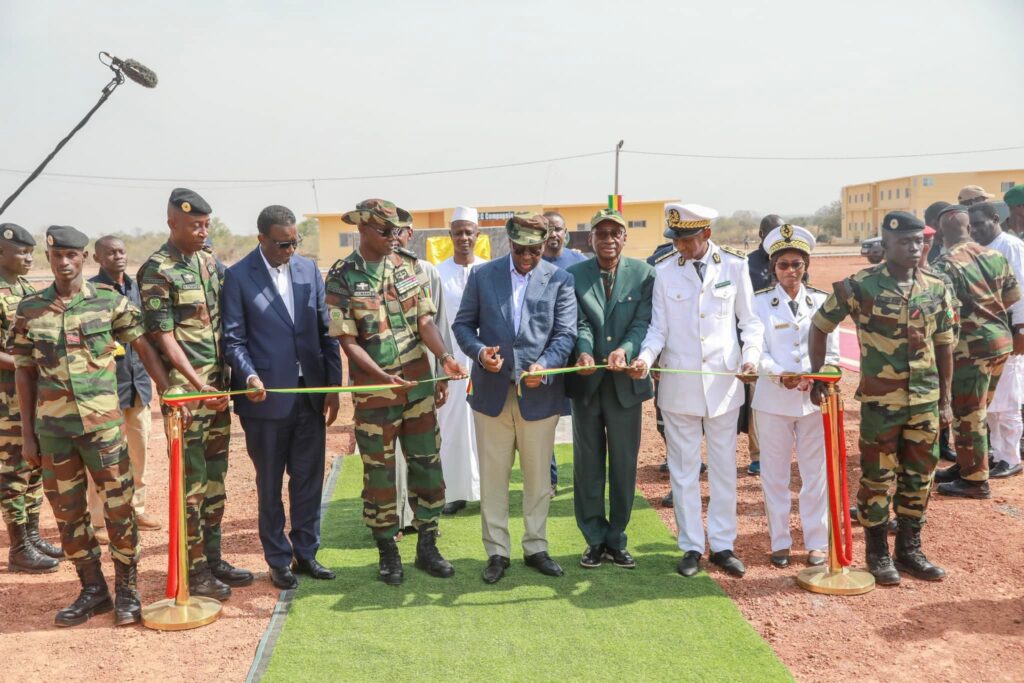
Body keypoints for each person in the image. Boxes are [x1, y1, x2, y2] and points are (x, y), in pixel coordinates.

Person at [12, 225, 176, 627]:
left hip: (103, 429)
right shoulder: (30, 309)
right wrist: (29, 435)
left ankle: (128, 591)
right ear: (50, 260)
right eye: (56, 257)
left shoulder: (108, 302)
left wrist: (168, 391)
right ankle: (93, 589)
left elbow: (143, 347)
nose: (64, 263)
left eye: (71, 256)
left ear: (84, 259)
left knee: (120, 512)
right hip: (55, 433)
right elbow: (24, 372)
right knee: (68, 517)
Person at [325, 198, 466, 586]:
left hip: (418, 387)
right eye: (385, 232)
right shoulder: (342, 276)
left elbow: (425, 320)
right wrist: (382, 377)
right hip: (376, 397)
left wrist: (444, 357)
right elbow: (347, 341)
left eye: (396, 231)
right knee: (380, 475)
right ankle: (387, 549)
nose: (393, 238)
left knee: (427, 465)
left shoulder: (408, 267)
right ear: (363, 230)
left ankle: (428, 545)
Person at [809, 211, 954, 586]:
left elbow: (944, 345)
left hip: (925, 400)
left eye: (918, 241)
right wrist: (819, 375)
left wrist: (946, 400)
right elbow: (819, 326)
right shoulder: (860, 287)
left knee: (920, 476)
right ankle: (877, 553)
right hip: (880, 403)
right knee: (877, 478)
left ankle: (910, 549)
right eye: (904, 242)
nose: (913, 247)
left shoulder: (936, 287)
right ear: (885, 246)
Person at [633, 203, 763, 579]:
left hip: (723, 386)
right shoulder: (663, 272)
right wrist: (645, 357)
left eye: (687, 240)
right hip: (679, 386)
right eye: (676, 240)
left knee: (723, 469)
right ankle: (691, 545)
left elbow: (750, 324)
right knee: (684, 470)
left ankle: (723, 544)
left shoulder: (735, 267)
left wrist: (751, 357)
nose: (681, 247)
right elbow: (658, 329)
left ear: (706, 234)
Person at [138, 188, 253, 599]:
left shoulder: (208, 262)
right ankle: (195, 567)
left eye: (206, 224)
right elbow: (162, 337)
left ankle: (214, 556)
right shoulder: (157, 270)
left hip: (217, 392)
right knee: (191, 485)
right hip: (188, 396)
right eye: (194, 226)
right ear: (172, 223)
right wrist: (196, 383)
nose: (203, 232)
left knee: (216, 480)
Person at [222, 205, 343, 590]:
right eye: (281, 244)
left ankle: (306, 553)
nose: (289, 250)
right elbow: (233, 339)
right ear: (261, 239)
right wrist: (250, 376)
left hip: (310, 395)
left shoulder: (309, 271)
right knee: (270, 482)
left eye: (294, 243)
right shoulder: (239, 277)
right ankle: (278, 559)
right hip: (265, 401)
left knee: (308, 480)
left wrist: (333, 388)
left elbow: (326, 333)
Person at [452, 212, 577, 584]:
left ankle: (536, 546)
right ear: (510, 243)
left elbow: (565, 334)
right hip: (491, 395)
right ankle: (497, 552)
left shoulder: (560, 279)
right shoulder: (483, 276)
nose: (528, 257)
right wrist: (478, 354)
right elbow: (463, 324)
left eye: (535, 251)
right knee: (493, 477)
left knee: (539, 479)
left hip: (540, 395)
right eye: (522, 250)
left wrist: (546, 365)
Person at [566, 209, 654, 569]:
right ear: (591, 239)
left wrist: (627, 351)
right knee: (588, 465)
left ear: (624, 238)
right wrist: (585, 351)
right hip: (588, 384)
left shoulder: (644, 274)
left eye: (615, 233)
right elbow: (578, 321)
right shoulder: (573, 275)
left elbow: (643, 322)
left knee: (622, 464)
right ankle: (593, 539)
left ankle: (617, 538)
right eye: (601, 233)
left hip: (625, 385)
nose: (608, 239)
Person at [752, 224, 837, 569]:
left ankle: (816, 541)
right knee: (774, 475)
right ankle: (780, 541)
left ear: (806, 266)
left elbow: (832, 352)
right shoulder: (759, 303)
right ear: (773, 267)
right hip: (773, 400)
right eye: (783, 264)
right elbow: (754, 348)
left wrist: (818, 377)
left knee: (814, 474)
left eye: (797, 264)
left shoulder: (821, 301)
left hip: (813, 401)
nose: (790, 271)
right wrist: (778, 374)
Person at [931, 205, 1020, 498]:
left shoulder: (945, 264)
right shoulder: (994, 255)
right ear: (969, 228)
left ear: (942, 233)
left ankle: (975, 480)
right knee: (976, 410)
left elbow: (942, 312)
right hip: (1000, 344)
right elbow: (1011, 297)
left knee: (968, 413)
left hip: (971, 349)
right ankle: (967, 465)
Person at [85, 236, 160, 540]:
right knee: (103, 457)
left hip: (138, 384)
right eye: (110, 252)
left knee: (139, 451)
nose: (118, 256)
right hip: (105, 390)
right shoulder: (90, 292)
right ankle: (99, 518)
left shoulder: (136, 288)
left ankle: (136, 509)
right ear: (96, 258)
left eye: (122, 251)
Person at [0, 223, 62, 573]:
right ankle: (18, 547)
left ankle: (33, 535)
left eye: (30, 251)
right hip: (5, 400)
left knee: (34, 465)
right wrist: (33, 363)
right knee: (12, 471)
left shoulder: (25, 288)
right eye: (21, 252)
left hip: (33, 394)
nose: (28, 258)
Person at [391, 218, 451, 529]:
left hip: (422, 376)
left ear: (408, 234)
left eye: (396, 232)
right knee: (390, 460)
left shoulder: (425, 271)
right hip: (385, 382)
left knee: (422, 455)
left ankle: (422, 520)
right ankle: (395, 520)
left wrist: (441, 373)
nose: (391, 238)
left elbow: (438, 324)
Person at [436, 206, 487, 515]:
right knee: (452, 426)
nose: (464, 237)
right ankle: (454, 492)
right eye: (458, 232)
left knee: (486, 427)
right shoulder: (438, 273)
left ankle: (487, 491)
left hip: (484, 361)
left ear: (477, 235)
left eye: (469, 232)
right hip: (452, 362)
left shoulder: (489, 270)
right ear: (450, 236)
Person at [541, 210, 587, 495]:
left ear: (566, 231)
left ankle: (585, 478)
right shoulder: (530, 262)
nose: (553, 235)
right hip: (546, 356)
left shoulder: (579, 262)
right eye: (547, 230)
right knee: (544, 420)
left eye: (557, 229)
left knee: (584, 419)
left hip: (577, 354)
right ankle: (549, 480)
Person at [744, 214, 785, 477]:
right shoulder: (748, 264)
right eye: (772, 233)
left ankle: (781, 452)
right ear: (761, 234)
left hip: (785, 337)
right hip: (758, 338)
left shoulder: (791, 257)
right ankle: (757, 454)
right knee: (757, 398)